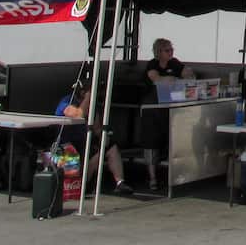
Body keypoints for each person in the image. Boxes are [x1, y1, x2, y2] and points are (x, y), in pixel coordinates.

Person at [56, 82, 133, 195]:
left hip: (84, 142)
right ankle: (81, 184)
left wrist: (103, 136)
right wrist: (88, 97)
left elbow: (97, 128)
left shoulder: (93, 106)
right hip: (65, 144)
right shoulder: (67, 101)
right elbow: (78, 114)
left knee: (111, 148)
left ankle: (120, 183)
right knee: (73, 153)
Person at [141, 38, 195, 191]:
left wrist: (184, 75)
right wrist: (169, 79)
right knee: (151, 142)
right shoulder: (152, 64)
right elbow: (156, 79)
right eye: (167, 50)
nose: (171, 53)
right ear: (159, 52)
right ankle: (152, 178)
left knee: (172, 139)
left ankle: (175, 175)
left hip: (169, 107)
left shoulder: (174, 63)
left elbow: (187, 73)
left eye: (172, 49)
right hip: (151, 108)